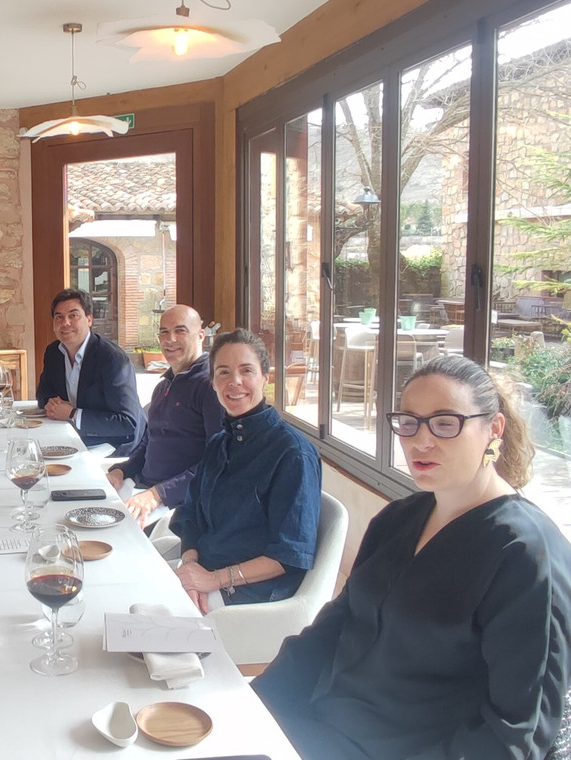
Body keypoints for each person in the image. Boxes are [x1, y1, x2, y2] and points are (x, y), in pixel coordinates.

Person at [252, 355, 571, 760]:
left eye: (445, 423)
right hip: (316, 728)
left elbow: (514, 735)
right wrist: (253, 703)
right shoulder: (397, 519)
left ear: (494, 428)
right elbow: (332, 629)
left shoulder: (526, 555)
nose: (420, 441)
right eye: (409, 422)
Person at [171, 327, 321, 611]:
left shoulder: (292, 453)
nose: (235, 382)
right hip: (204, 573)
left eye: (246, 371)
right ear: (212, 382)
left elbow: (289, 553)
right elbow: (190, 514)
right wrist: (191, 569)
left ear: (265, 377)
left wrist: (212, 580)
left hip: (252, 595)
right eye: (223, 372)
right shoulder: (219, 443)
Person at [107, 305, 224, 528]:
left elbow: (216, 462)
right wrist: (123, 470)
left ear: (201, 335)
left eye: (180, 331)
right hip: (143, 489)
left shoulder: (211, 386)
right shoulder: (163, 386)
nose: (170, 339)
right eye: (164, 332)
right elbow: (149, 442)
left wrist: (158, 494)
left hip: (178, 505)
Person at [36, 288, 145, 456]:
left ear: (89, 319)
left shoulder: (112, 359)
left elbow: (127, 423)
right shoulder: (54, 352)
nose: (65, 323)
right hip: (71, 435)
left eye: (73, 315)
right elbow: (43, 393)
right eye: (59, 317)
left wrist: (73, 414)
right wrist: (52, 402)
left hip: (111, 444)